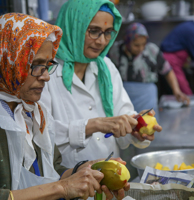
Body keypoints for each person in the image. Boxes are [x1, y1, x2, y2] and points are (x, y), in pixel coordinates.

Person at [0, 13, 129, 200]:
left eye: (47, 65)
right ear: (7, 62)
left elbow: (52, 171)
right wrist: (62, 188)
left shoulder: (33, 114)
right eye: (35, 65)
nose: (45, 76)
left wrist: (84, 171)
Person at [40, 0, 162, 170]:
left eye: (108, 32)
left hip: (110, 178)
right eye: (94, 31)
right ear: (73, 26)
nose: (102, 41)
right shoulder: (45, 71)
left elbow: (121, 115)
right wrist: (95, 125)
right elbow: (40, 134)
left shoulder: (106, 67)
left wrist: (135, 128)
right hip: (66, 182)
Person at [109, 22, 190, 116]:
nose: (140, 48)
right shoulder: (115, 51)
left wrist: (176, 90)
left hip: (147, 97)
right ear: (127, 41)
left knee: (147, 124)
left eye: (143, 44)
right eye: (136, 45)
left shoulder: (151, 51)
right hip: (123, 96)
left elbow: (168, 71)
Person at [160, 13, 194, 95]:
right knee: (182, 87)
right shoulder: (192, 31)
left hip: (174, 60)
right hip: (171, 59)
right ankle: (189, 103)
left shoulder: (190, 26)